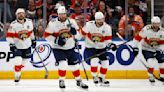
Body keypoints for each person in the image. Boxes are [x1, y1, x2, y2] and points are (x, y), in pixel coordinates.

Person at [44, 6, 88, 89]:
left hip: (70, 47)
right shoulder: (52, 23)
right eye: (60, 14)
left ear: (66, 14)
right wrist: (56, 41)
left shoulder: (72, 21)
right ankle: (61, 80)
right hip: (58, 48)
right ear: (58, 14)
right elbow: (46, 36)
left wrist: (75, 33)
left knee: (75, 66)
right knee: (62, 64)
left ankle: (79, 81)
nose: (62, 16)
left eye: (64, 14)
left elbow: (78, 35)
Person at [81, 12, 117, 86]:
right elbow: (81, 33)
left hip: (101, 47)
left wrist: (111, 45)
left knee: (106, 62)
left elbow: (108, 40)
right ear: (95, 20)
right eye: (98, 20)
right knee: (94, 60)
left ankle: (101, 77)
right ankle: (94, 76)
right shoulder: (89, 25)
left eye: (102, 19)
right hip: (90, 47)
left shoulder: (107, 27)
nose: (100, 21)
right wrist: (75, 40)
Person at [6, 8, 36, 84]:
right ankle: (17, 76)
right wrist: (11, 44)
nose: (21, 14)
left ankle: (17, 69)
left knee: (24, 62)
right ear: (16, 15)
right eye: (19, 13)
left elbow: (31, 33)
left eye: (22, 13)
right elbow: (9, 36)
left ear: (24, 14)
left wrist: (33, 40)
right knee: (18, 60)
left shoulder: (29, 22)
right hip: (17, 46)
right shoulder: (13, 24)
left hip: (27, 45)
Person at [132, 16, 164, 85]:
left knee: (162, 62)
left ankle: (162, 76)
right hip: (147, 48)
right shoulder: (146, 29)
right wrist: (135, 47)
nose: (156, 25)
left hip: (157, 48)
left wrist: (161, 49)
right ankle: (151, 76)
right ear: (152, 23)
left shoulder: (162, 31)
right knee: (151, 61)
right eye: (154, 24)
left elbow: (162, 43)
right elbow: (137, 38)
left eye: (157, 24)